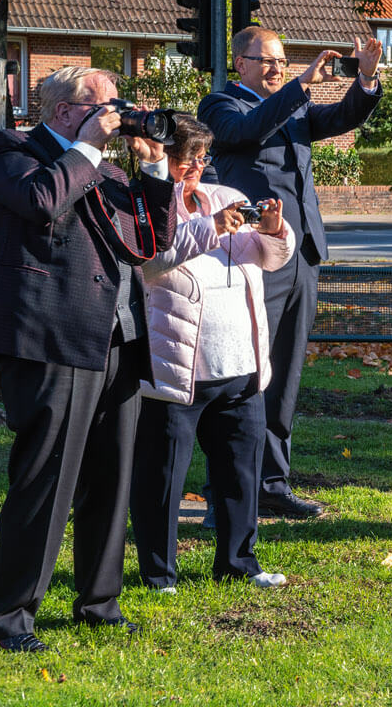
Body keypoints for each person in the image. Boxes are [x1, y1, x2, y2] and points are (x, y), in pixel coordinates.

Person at [0, 65, 177, 652]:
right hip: (50, 336)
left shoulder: (106, 167)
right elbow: (41, 202)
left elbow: (150, 241)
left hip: (117, 337)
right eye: (105, 106)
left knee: (111, 479)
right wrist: (87, 147)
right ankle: (9, 619)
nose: (117, 115)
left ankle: (98, 603)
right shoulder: (10, 151)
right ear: (65, 110)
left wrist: (154, 168)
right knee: (47, 479)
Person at [198, 27, 382, 519]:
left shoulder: (294, 108)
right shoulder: (220, 106)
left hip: (302, 256)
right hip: (256, 254)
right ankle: (227, 491)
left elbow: (342, 117)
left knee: (285, 374)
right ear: (240, 63)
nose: (277, 68)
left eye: (282, 61)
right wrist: (300, 84)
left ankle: (272, 484)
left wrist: (365, 80)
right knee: (245, 374)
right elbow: (246, 132)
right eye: (267, 60)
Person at [130, 114, 296, 593]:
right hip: (177, 367)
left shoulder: (226, 196)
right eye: (187, 158)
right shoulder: (144, 203)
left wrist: (274, 230)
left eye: (203, 157)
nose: (198, 167)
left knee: (240, 472)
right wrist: (210, 227)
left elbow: (271, 259)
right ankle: (159, 574)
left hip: (240, 362)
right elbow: (150, 262)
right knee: (163, 477)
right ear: (163, 156)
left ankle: (239, 562)